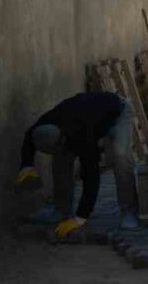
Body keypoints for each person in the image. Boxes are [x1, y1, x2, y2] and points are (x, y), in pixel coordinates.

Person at [15, 91, 139, 238]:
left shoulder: (84, 133)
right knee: (61, 160)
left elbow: (91, 174)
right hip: (89, 113)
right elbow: (29, 136)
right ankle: (61, 211)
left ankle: (128, 212)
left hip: (118, 112)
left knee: (120, 156)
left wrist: (81, 217)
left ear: (62, 137)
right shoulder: (47, 121)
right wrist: (27, 166)